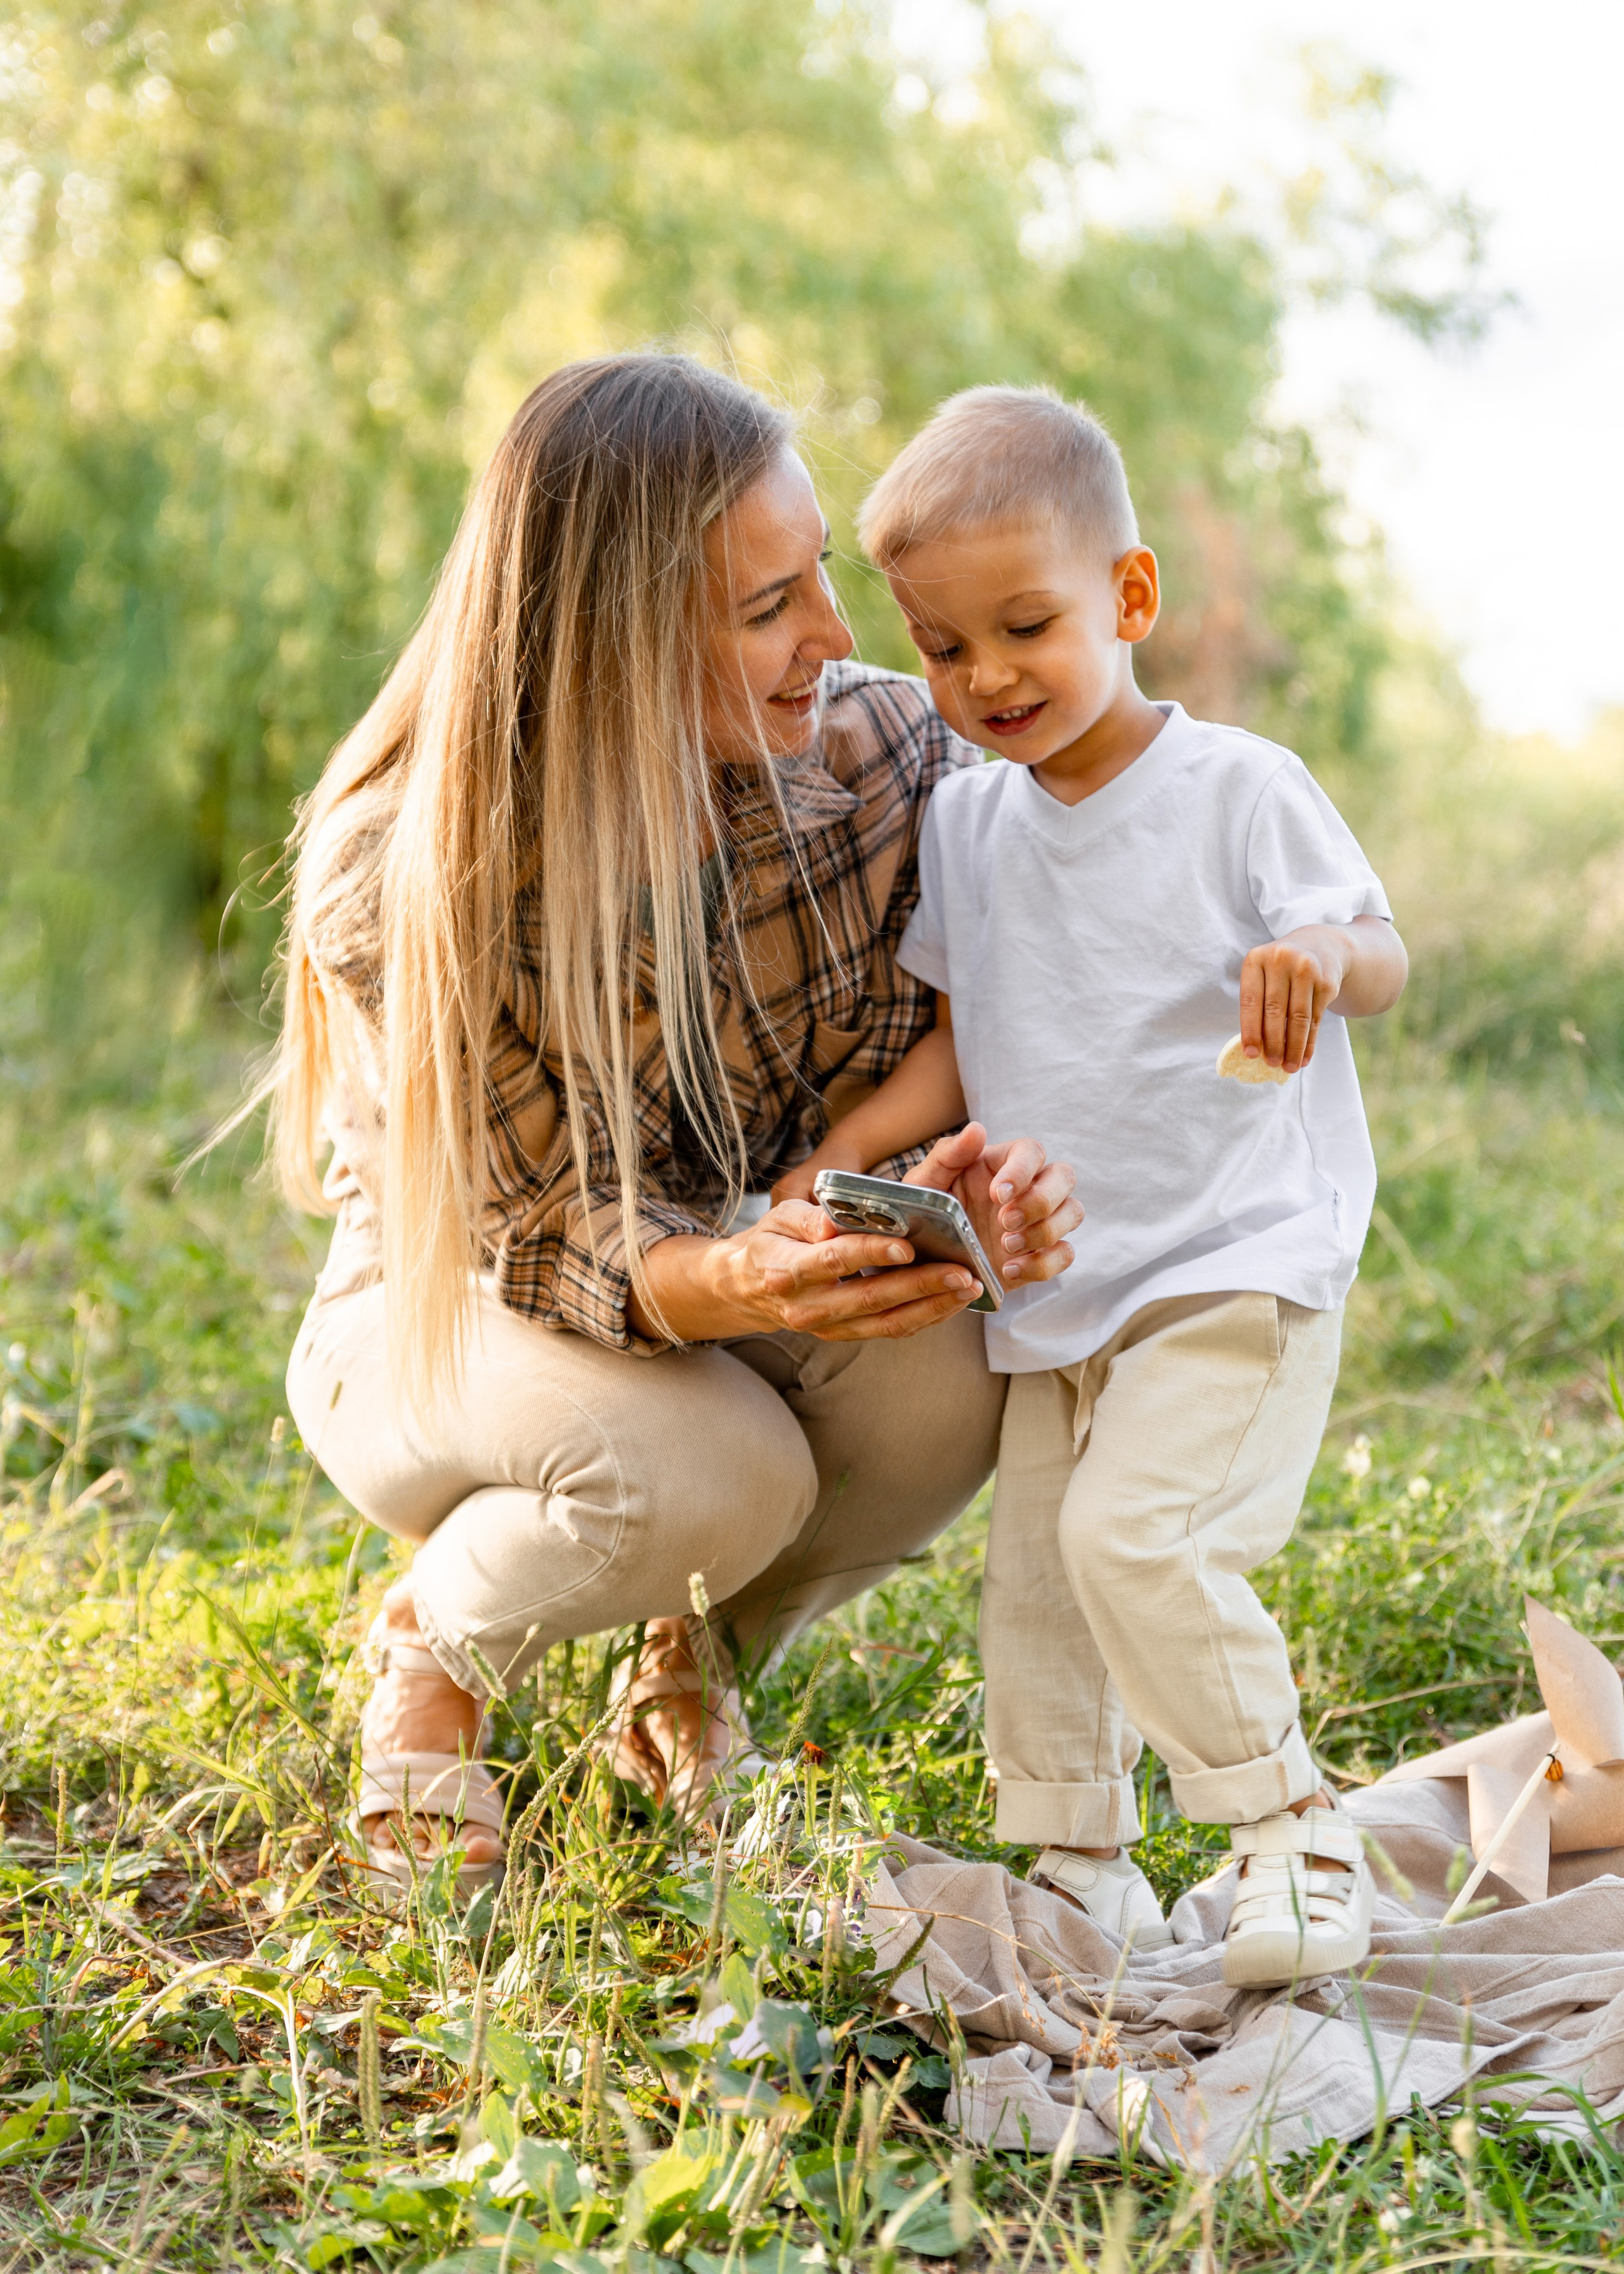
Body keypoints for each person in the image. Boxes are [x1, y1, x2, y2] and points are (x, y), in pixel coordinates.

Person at [272, 355, 1084, 1894]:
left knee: (953, 1377)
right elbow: (538, 1234)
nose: (834, 636)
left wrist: (965, 1193)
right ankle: (435, 1642)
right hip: (450, 1313)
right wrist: (734, 1277)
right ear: (612, 642)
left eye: (821, 574)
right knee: (713, 1473)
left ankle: (687, 1672)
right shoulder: (408, 866)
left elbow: (1020, 998)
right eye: (768, 604)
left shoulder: (886, 758)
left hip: (728, 1265)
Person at [780, 385, 1408, 1985]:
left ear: (1127, 597)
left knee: (1140, 1535)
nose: (985, 676)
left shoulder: (1235, 788)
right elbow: (962, 1035)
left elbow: (1378, 950)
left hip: (1228, 1254)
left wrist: (1314, 953)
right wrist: (844, 1156)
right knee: (1043, 1580)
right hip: (1056, 1278)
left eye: (1025, 627)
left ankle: (1288, 1828)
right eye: (942, 646)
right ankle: (1081, 1861)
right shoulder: (968, 820)